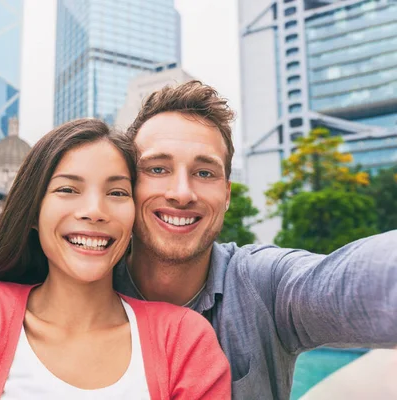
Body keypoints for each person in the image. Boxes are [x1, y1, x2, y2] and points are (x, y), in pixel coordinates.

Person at [0, 119, 230, 399]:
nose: (94, 211)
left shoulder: (184, 340)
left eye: (117, 192)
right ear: (33, 211)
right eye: (67, 189)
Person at [112, 80, 397, 399]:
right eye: (158, 168)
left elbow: (353, 281)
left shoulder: (264, 286)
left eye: (205, 173)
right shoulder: (85, 288)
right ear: (127, 187)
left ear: (227, 194)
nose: (181, 193)